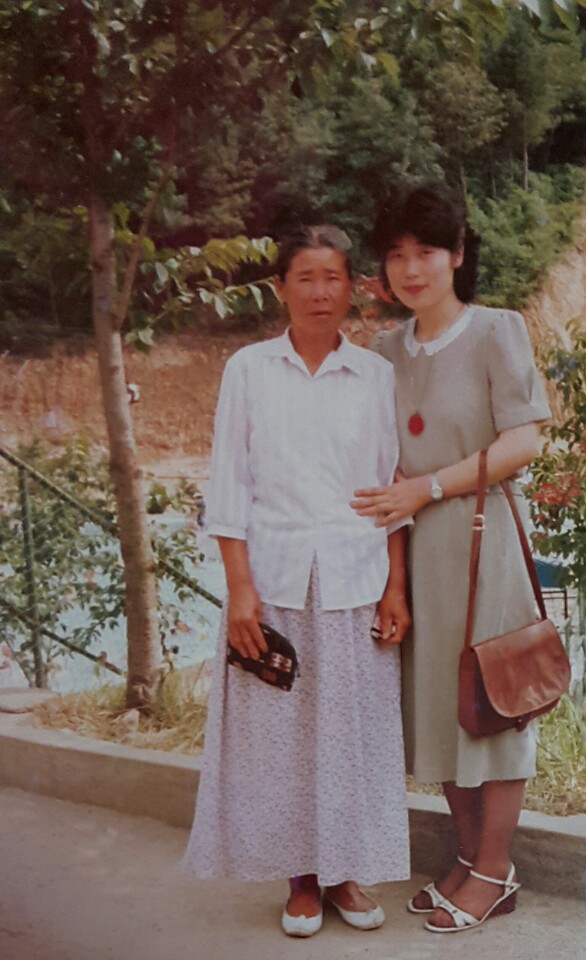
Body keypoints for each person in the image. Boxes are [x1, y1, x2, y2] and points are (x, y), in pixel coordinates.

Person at [183, 225, 411, 938]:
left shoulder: (374, 375)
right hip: (274, 581)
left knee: (349, 736)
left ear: (352, 288)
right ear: (280, 287)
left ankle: (344, 872)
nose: (319, 292)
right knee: (280, 741)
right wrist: (239, 590)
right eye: (305, 277)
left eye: (332, 277)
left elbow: (390, 489)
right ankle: (301, 880)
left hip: (354, 579)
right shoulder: (249, 370)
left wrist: (395, 587)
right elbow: (229, 484)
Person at [351, 185, 551, 934]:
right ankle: (469, 859)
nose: (411, 269)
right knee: (440, 706)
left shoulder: (498, 329)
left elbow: (523, 440)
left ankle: (494, 871)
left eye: (427, 252)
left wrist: (428, 487)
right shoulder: (382, 351)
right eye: (396, 255)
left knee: (492, 704)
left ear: (458, 255)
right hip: (412, 551)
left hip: (479, 538)